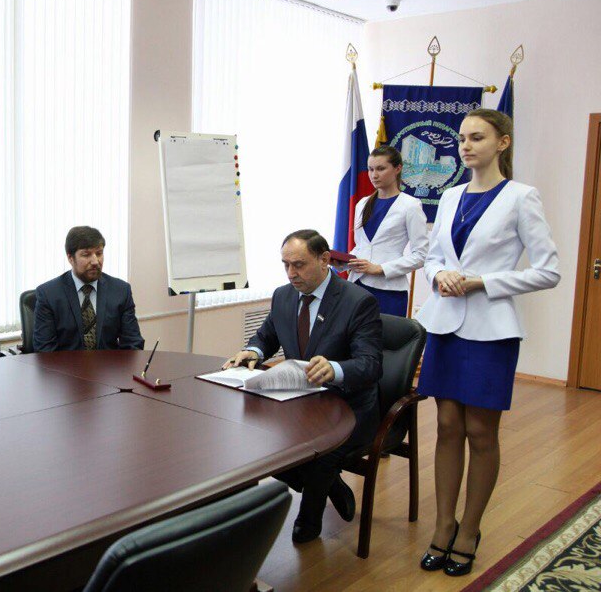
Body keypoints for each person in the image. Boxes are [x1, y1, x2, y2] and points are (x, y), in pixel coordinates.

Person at [416, 109, 559, 577]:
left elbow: (548, 271)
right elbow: (433, 256)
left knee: (480, 431)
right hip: (444, 325)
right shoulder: (450, 195)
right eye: (462, 138)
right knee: (447, 426)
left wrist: (483, 282)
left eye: (477, 137)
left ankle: (470, 530)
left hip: (491, 330)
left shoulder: (521, 197)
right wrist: (439, 274)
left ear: (503, 142)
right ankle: (444, 524)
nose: (466, 145)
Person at [223, 229, 382, 543]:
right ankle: (333, 485)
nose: (291, 273)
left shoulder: (357, 301)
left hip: (348, 406)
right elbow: (267, 336)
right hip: (301, 400)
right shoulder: (284, 295)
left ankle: (309, 523)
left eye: (299, 265)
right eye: (285, 265)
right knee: (257, 439)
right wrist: (253, 351)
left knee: (320, 454)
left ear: (324, 260)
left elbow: (371, 364)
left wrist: (335, 369)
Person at [33, 226, 145, 352]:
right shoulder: (48, 295)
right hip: (64, 365)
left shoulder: (121, 291)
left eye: (99, 253)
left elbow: (133, 343)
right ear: (70, 258)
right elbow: (45, 351)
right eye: (86, 255)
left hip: (109, 364)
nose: (95, 261)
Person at [347, 145, 429, 316]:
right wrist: (344, 260)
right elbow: (361, 246)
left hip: (388, 290)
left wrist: (381, 269)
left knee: (385, 333)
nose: (374, 175)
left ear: (397, 169)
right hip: (356, 286)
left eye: (380, 169)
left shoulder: (411, 205)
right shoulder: (362, 203)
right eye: (370, 169)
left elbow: (421, 255)